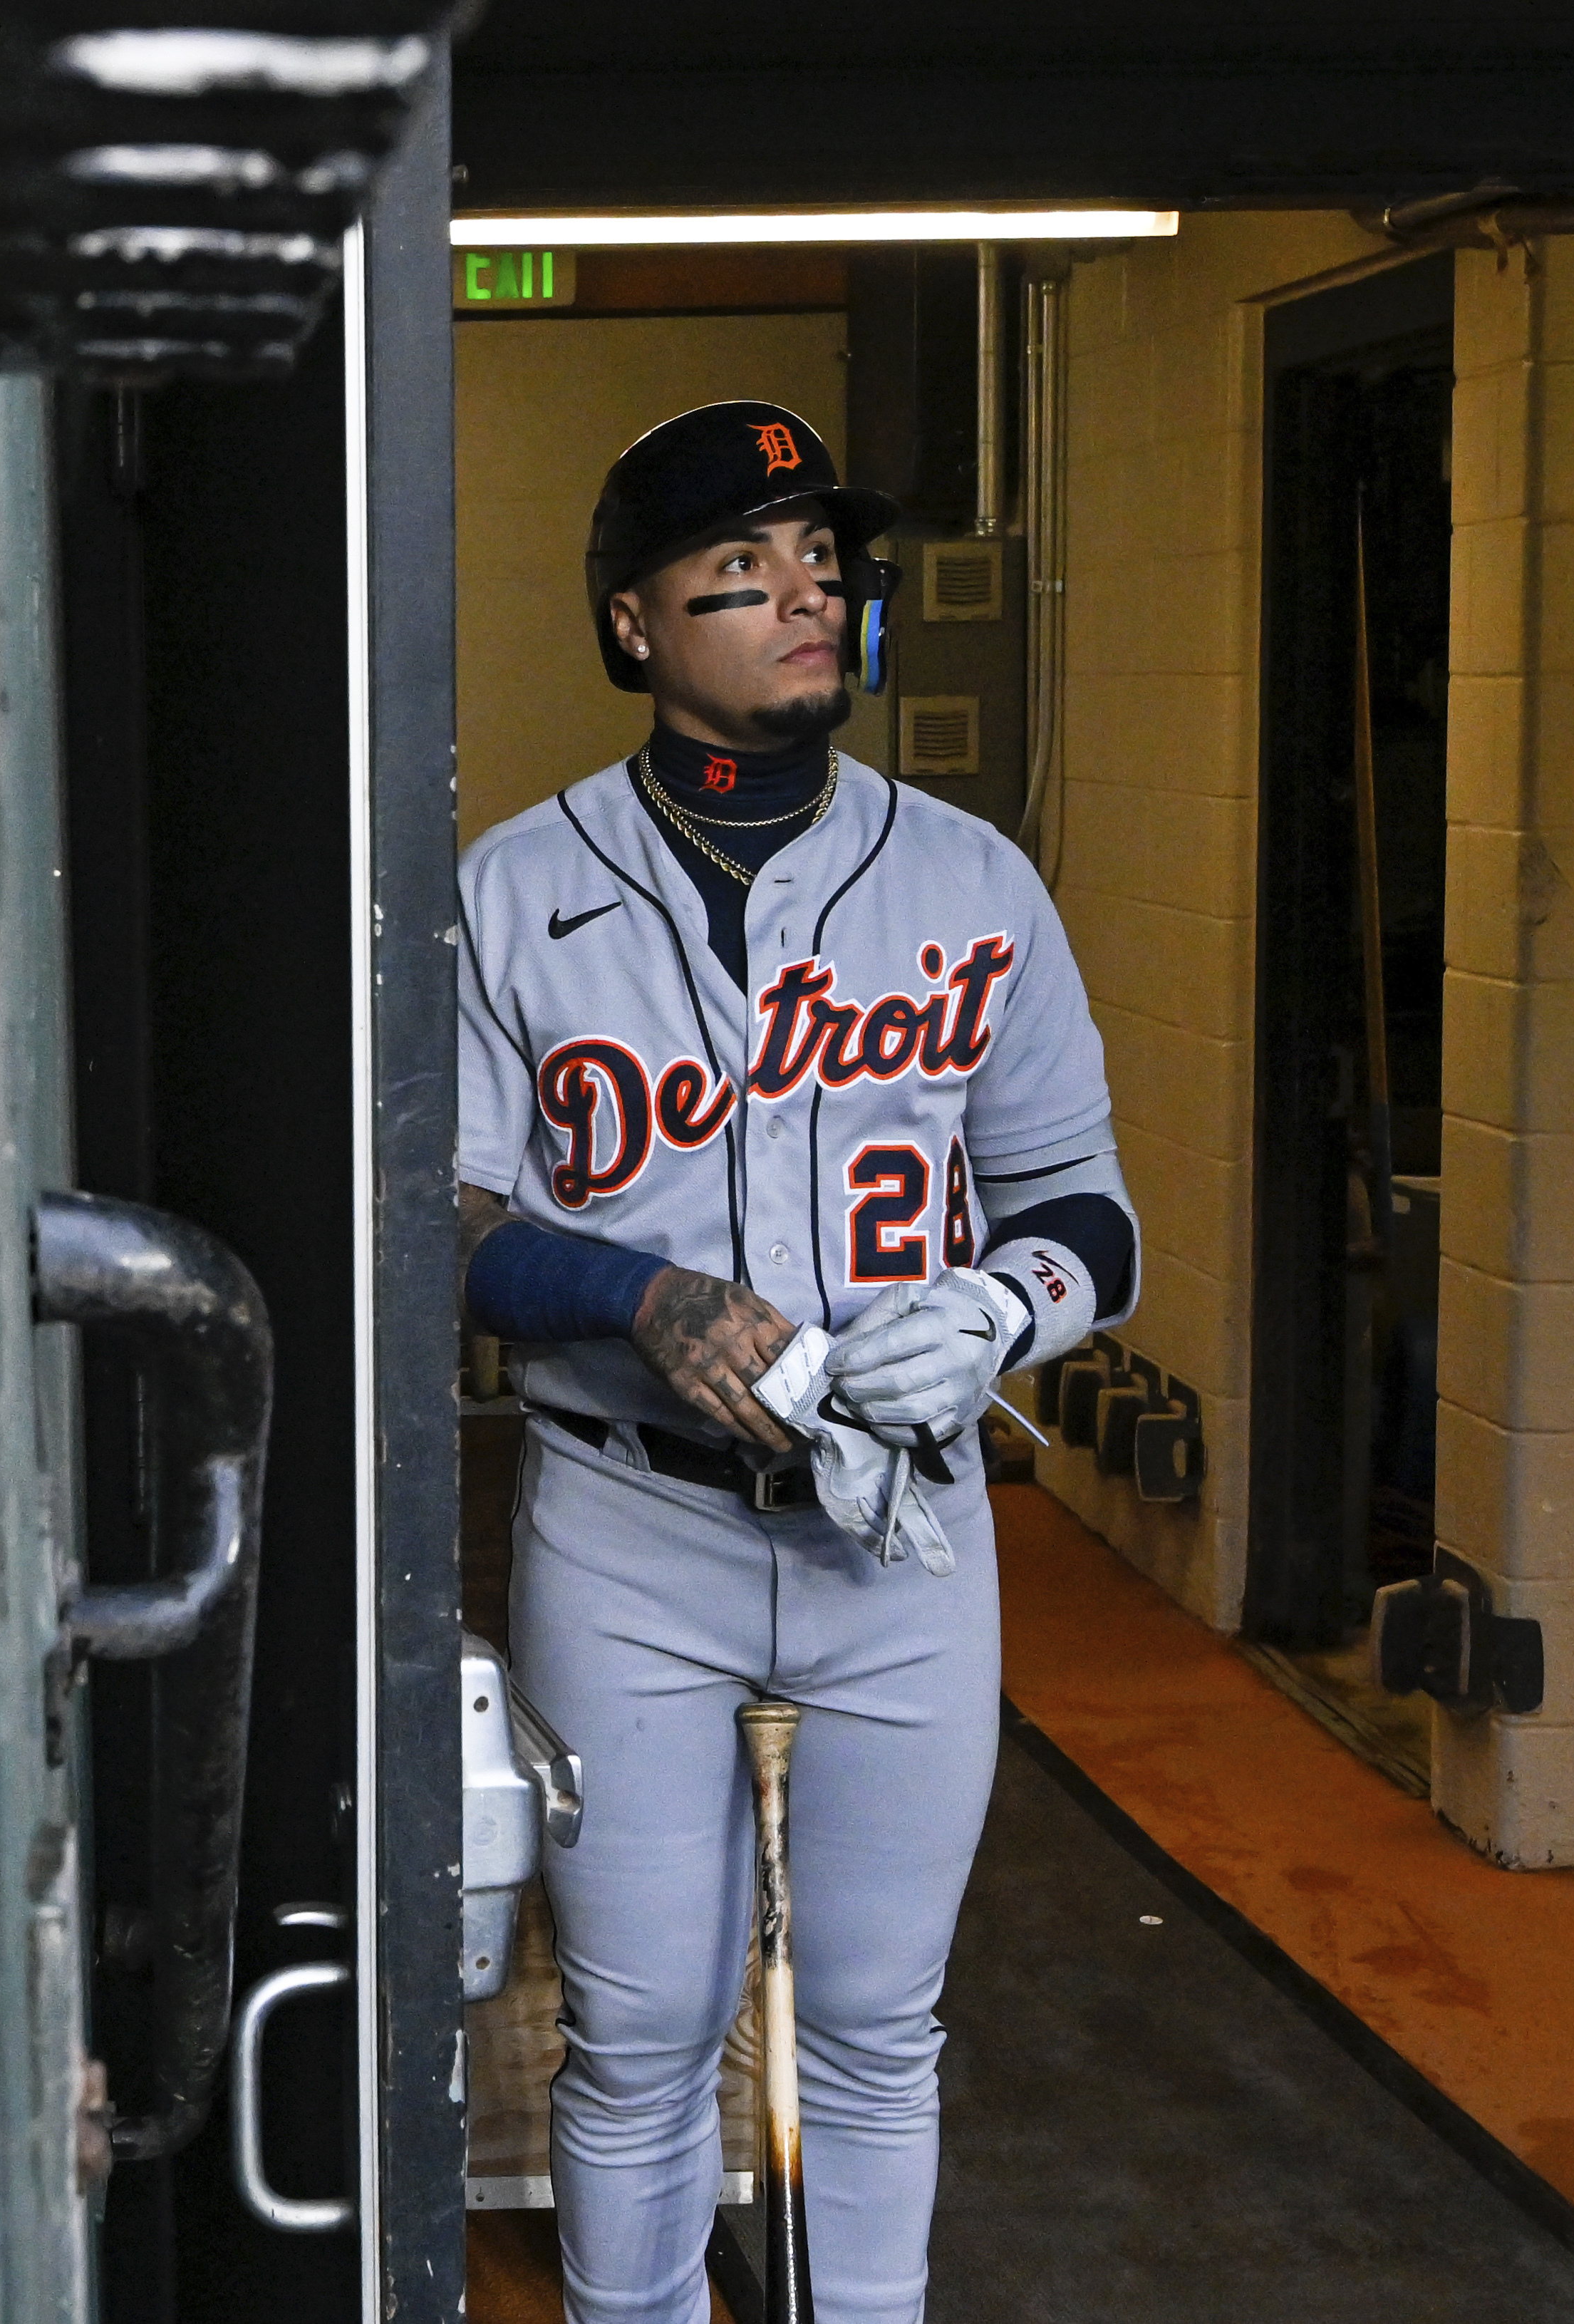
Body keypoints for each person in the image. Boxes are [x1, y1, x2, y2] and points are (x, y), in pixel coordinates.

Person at [455, 401, 1137, 2324]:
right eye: (734, 576)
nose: (796, 602)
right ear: (632, 627)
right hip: (625, 1522)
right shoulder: (512, 889)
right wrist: (640, 1299)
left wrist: (1006, 1307)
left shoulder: (972, 883)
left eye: (818, 568)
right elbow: (433, 1225)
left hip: (901, 1540)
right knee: (643, 2023)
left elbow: (1091, 1209)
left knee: (870, 2017)